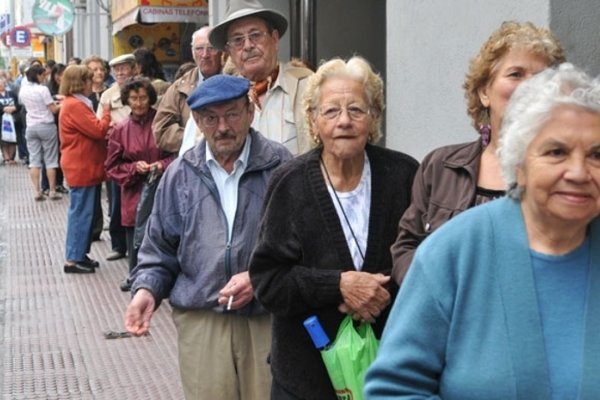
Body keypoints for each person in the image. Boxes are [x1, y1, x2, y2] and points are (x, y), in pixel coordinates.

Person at [365, 62, 600, 399]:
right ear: (519, 161)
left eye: (597, 154)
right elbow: (395, 389)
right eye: (557, 152)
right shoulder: (454, 252)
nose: (578, 172)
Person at [248, 56, 419, 400]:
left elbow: (425, 264)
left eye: (357, 110)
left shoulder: (404, 175)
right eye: (331, 111)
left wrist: (376, 293)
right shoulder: (289, 184)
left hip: (390, 373)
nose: (344, 121)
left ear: (374, 118)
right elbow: (268, 282)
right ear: (313, 120)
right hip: (305, 378)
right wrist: (338, 286)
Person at [124, 75, 292, 400]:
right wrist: (146, 289)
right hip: (202, 319)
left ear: (250, 112)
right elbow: (159, 249)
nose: (222, 127)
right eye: (210, 118)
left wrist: (260, 277)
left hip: (266, 316)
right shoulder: (179, 174)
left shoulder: (280, 165)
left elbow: (300, 245)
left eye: (231, 114)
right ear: (198, 122)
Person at [390, 21, 566, 284]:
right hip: (452, 320)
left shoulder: (570, 173)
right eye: (516, 74)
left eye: (541, 78)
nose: (529, 86)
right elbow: (406, 249)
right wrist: (436, 290)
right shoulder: (440, 167)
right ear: (485, 92)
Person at [209, 0, 313, 156]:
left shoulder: (308, 88)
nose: (248, 45)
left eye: (255, 35)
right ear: (229, 52)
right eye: (238, 40)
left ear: (275, 39)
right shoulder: (215, 98)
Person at [105, 77, 173, 291]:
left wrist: (162, 165)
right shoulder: (121, 129)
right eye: (134, 98)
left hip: (163, 189)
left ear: (150, 98)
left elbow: (176, 154)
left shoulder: (161, 123)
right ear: (127, 100)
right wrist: (134, 168)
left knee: (164, 235)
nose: (139, 103)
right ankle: (135, 275)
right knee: (135, 236)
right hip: (134, 191)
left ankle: (165, 276)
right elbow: (111, 166)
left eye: (143, 98)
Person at [59, 65, 111, 273]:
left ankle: (80, 254)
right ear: (80, 83)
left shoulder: (75, 103)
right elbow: (98, 130)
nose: (93, 83)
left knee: (84, 212)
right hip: (81, 165)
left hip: (83, 164)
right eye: (89, 80)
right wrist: (107, 114)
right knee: (81, 212)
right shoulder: (75, 105)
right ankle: (73, 258)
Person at [152, 26, 223, 154]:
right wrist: (195, 138)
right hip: (192, 164)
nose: (205, 55)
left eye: (211, 48)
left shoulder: (236, 81)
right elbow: (161, 130)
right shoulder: (179, 87)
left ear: (222, 51)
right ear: (192, 52)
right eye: (199, 48)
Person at [98, 54, 137, 262]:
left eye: (124, 68)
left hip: (140, 149)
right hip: (117, 151)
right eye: (117, 70)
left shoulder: (141, 89)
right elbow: (100, 123)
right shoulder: (107, 95)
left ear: (133, 69)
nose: (121, 73)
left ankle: (138, 245)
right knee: (116, 201)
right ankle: (118, 245)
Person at [18, 64, 61, 200]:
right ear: (37, 75)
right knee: (50, 160)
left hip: (31, 127)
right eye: (43, 75)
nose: (45, 77)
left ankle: (37, 191)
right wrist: (62, 104)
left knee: (34, 160)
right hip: (46, 126)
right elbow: (53, 109)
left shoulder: (23, 90)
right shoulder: (43, 89)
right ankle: (52, 191)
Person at [0, 77, 20, 164]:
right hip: (2, 120)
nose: (1, 85)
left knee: (13, 138)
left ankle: (12, 157)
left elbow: (18, 104)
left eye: (2, 84)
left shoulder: (12, 93)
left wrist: (13, 108)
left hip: (13, 119)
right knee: (3, 139)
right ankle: (6, 158)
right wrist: (4, 109)